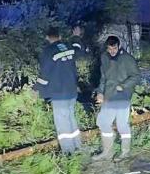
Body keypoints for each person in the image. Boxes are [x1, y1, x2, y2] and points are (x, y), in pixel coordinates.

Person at [34, 25, 86, 154]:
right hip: (72, 91)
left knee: (62, 124)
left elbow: (45, 75)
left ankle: (68, 152)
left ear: (47, 37)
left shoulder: (48, 52)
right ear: (60, 36)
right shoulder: (67, 47)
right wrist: (76, 37)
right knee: (71, 119)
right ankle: (78, 147)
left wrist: (36, 88)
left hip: (59, 93)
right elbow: (79, 50)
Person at [95, 35, 140, 162]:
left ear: (119, 46)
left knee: (121, 125)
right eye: (110, 49)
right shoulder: (104, 57)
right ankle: (107, 152)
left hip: (122, 96)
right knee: (103, 122)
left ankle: (125, 152)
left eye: (114, 48)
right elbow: (103, 77)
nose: (112, 51)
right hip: (109, 95)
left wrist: (123, 86)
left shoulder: (128, 59)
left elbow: (136, 76)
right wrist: (100, 92)